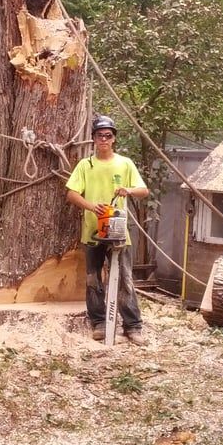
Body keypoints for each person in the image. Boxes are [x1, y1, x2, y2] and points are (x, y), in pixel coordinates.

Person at [65, 115, 149, 345]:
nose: (104, 139)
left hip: (118, 232)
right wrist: (91, 206)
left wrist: (128, 190)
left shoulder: (125, 163)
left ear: (114, 139)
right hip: (93, 230)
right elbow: (71, 193)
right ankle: (99, 323)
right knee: (93, 279)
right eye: (99, 135)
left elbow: (144, 191)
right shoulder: (86, 165)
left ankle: (133, 326)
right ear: (93, 138)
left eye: (108, 135)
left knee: (125, 279)